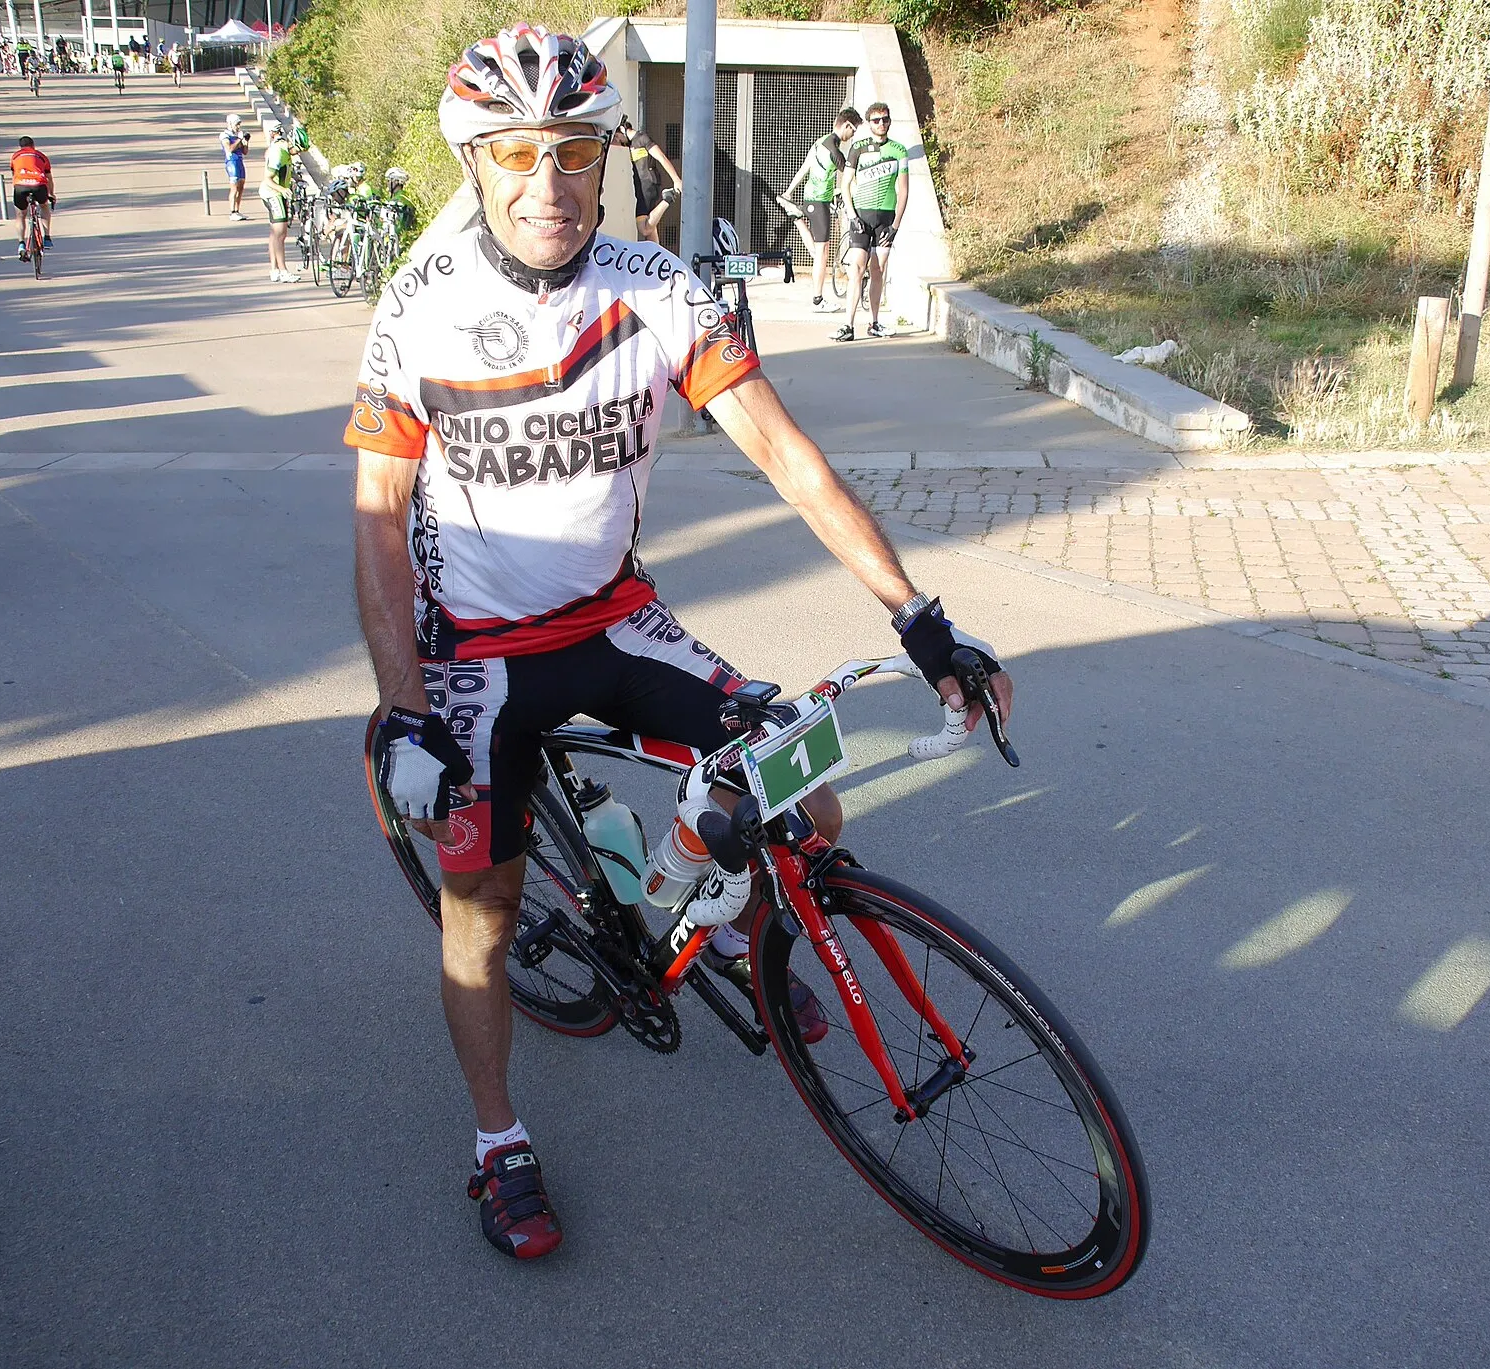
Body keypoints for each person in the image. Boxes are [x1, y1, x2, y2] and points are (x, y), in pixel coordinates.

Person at [344, 23, 1013, 1264]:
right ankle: (497, 1140)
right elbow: (378, 519)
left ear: (607, 161)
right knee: (481, 905)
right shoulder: (423, 308)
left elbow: (783, 453)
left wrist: (916, 618)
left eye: (575, 154)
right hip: (475, 657)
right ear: (475, 163)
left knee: (798, 789)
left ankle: (752, 935)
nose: (548, 182)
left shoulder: (652, 287)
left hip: (611, 616)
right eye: (517, 154)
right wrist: (403, 712)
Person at [835, 102, 910, 342]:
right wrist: (852, 215)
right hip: (861, 216)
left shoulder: (899, 150)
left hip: (886, 217)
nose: (881, 124)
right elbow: (845, 185)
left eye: (885, 119)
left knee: (877, 270)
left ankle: (874, 322)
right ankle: (847, 325)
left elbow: (904, 191)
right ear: (869, 123)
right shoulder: (858, 148)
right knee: (856, 268)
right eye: (876, 120)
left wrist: (895, 225)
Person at [783, 107, 859, 314]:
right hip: (820, 202)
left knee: (818, 252)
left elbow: (805, 167)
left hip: (809, 199)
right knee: (822, 253)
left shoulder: (820, 141)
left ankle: (798, 218)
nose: (852, 136)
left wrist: (789, 192)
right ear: (846, 126)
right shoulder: (836, 152)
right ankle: (818, 300)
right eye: (853, 131)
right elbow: (851, 179)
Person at [616, 115, 680, 242]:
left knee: (644, 228)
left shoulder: (641, 139)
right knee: (651, 230)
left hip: (648, 186)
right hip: (642, 188)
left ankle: (668, 197)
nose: (617, 142)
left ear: (622, 130)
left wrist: (676, 180)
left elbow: (661, 157)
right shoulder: (631, 144)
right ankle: (658, 256)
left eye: (616, 138)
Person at [261, 124, 306, 283]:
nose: (298, 153)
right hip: (273, 193)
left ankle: (274, 270)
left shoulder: (285, 151)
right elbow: (268, 178)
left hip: (276, 192)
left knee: (275, 233)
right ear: (292, 143)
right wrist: (282, 189)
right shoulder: (279, 152)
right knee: (281, 233)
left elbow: (285, 169)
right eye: (298, 150)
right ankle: (283, 270)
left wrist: (297, 178)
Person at [9, 135, 55, 259]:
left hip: (21, 187)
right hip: (38, 185)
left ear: (20, 147)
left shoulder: (15, 156)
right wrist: (51, 194)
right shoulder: (41, 156)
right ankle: (47, 237)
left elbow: (14, 174)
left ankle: (21, 244)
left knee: (20, 215)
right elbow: (49, 178)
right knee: (44, 206)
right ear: (33, 145)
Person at [221, 114, 249, 219]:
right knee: (234, 188)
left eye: (239, 124)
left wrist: (245, 142)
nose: (238, 127)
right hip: (232, 162)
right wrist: (239, 139)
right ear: (230, 124)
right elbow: (230, 149)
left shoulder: (238, 135)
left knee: (241, 187)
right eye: (237, 124)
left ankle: (237, 210)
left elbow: (245, 151)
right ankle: (232, 212)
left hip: (240, 161)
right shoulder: (224, 135)